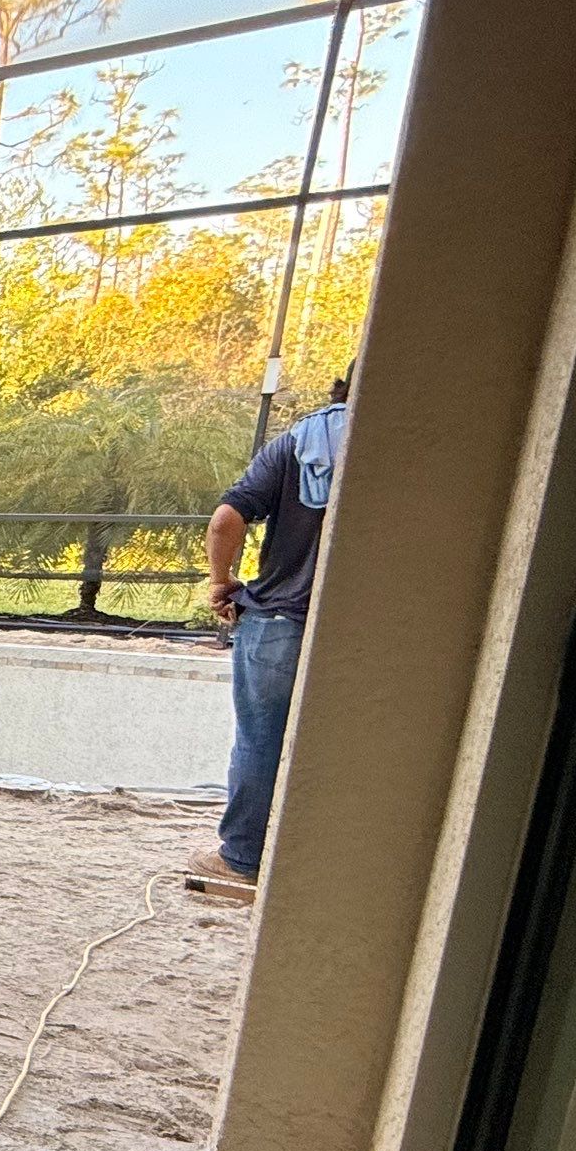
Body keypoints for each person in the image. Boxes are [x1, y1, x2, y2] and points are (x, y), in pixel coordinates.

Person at [198, 367, 352, 886]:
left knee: (260, 741)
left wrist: (222, 583)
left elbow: (225, 520)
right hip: (357, 633)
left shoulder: (297, 442)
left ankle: (241, 862)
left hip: (279, 620)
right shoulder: (407, 448)